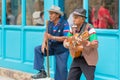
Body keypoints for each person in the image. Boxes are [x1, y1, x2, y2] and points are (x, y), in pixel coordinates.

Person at [31, 5, 70, 80]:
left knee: (61, 70)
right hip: (51, 46)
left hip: (62, 49)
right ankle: (42, 71)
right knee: (38, 49)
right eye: (49, 14)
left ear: (58, 15)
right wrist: (43, 43)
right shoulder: (49, 23)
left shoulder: (65, 23)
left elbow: (66, 38)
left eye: (52, 14)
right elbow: (46, 34)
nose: (50, 15)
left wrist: (52, 37)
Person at [64, 8, 98, 80]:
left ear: (82, 19)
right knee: (71, 78)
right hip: (76, 56)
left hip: (88, 58)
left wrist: (87, 43)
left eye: (76, 17)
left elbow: (96, 43)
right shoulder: (73, 27)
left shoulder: (89, 28)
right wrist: (67, 44)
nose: (73, 19)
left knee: (90, 78)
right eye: (73, 17)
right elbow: (67, 39)